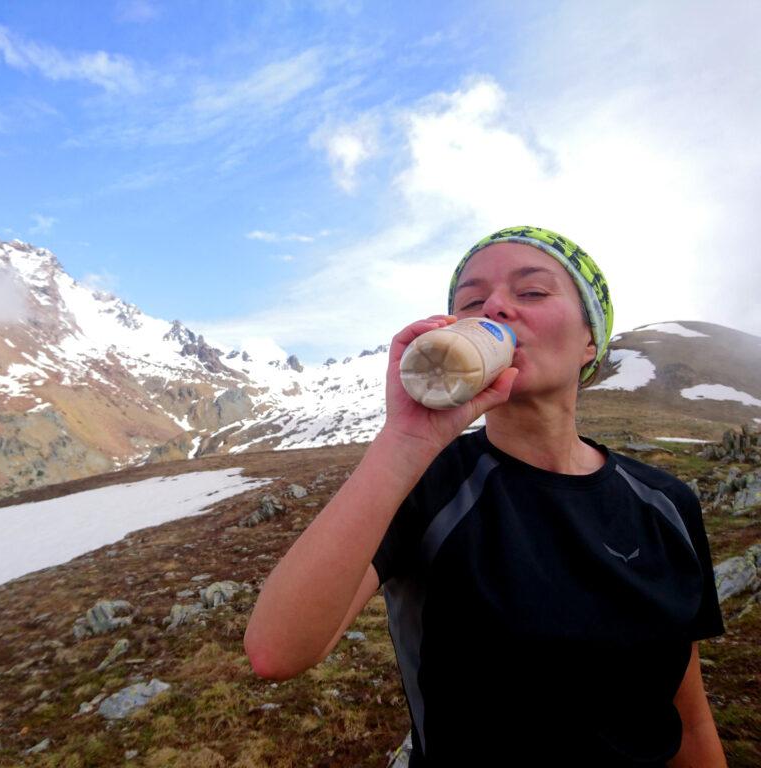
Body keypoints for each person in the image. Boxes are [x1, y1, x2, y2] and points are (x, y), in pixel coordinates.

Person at [244, 225, 727, 767]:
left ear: (591, 339)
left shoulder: (664, 501)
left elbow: (689, 716)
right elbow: (276, 652)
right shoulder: (426, 484)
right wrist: (405, 441)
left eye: (532, 292)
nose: (495, 307)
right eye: (472, 302)